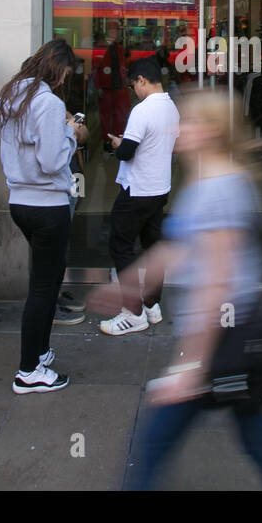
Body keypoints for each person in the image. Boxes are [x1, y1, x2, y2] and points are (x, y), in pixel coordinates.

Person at [96, 89, 262, 490]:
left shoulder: (217, 188)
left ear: (211, 131)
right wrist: (130, 286)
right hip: (229, 342)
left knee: (156, 442)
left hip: (223, 339)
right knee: (256, 438)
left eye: (189, 122)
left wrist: (190, 366)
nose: (180, 129)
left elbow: (217, 284)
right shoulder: (208, 179)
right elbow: (180, 248)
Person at [0, 39, 88, 394]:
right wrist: (72, 133)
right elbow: (52, 161)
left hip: (20, 201)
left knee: (42, 282)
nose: (67, 78)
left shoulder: (12, 95)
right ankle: (29, 370)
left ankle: (39, 351)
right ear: (58, 68)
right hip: (47, 205)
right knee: (44, 288)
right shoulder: (48, 103)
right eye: (67, 71)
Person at [99, 56, 180, 336]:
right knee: (154, 248)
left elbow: (126, 152)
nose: (134, 90)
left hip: (137, 190)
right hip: (160, 189)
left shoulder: (142, 110)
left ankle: (132, 312)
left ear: (142, 81)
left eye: (134, 84)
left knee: (121, 247)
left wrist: (118, 143)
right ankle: (152, 304)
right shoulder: (171, 108)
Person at [93, 22, 129, 150]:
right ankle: (106, 141)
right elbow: (95, 70)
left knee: (118, 115)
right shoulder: (101, 47)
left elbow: (123, 67)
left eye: (116, 31)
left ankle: (116, 140)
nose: (114, 34)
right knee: (105, 116)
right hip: (106, 88)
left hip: (118, 87)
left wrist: (124, 83)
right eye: (112, 31)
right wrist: (98, 87)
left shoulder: (119, 48)